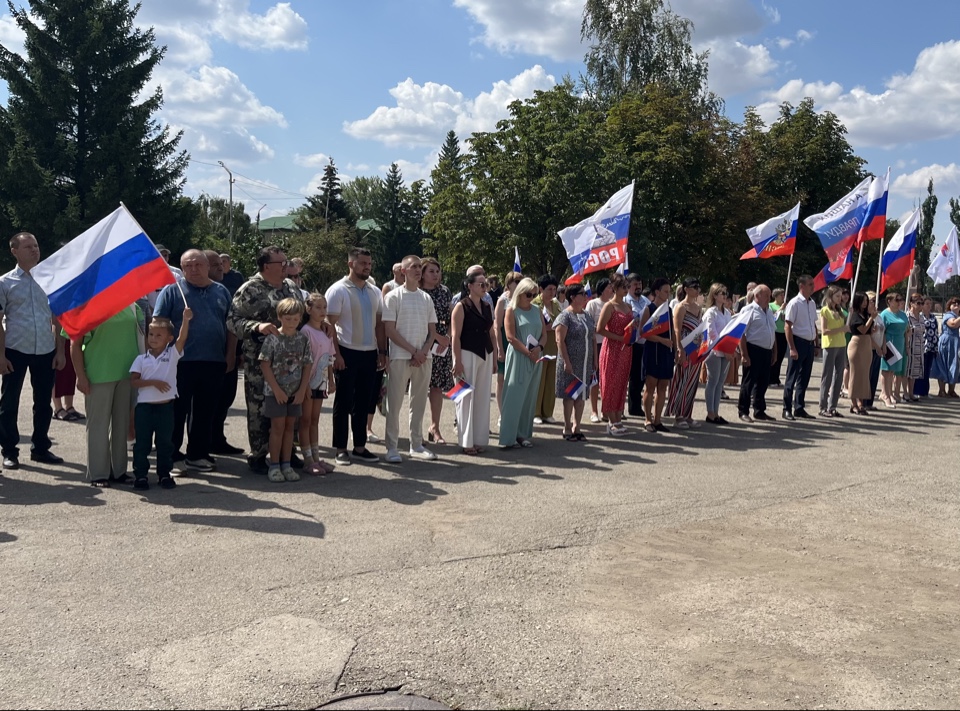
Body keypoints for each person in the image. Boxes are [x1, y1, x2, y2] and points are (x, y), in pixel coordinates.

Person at [154, 250, 235, 472]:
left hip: (214, 360)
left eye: (198, 264)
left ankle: (198, 454)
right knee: (176, 411)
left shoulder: (221, 292)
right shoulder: (172, 291)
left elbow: (231, 326)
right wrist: (159, 357)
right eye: (188, 266)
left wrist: (230, 354)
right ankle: (171, 456)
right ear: (182, 268)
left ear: (208, 266)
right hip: (179, 362)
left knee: (205, 410)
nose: (193, 269)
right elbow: (159, 323)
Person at [227, 246, 306, 472]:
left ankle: (287, 452)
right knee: (260, 407)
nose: (285, 266)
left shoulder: (291, 286)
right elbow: (232, 321)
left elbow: (302, 315)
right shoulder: (250, 289)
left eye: (286, 262)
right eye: (281, 263)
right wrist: (256, 326)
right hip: (260, 360)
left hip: (291, 361)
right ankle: (259, 454)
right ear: (265, 266)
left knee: (290, 406)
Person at [0, 232, 66, 470]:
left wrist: (60, 350)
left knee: (43, 403)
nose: (34, 250)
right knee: (9, 403)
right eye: (28, 246)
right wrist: (0, 355)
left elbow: (57, 317)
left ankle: (40, 448)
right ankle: (9, 451)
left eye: (36, 245)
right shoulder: (5, 283)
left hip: (45, 349)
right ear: (14, 251)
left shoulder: (49, 279)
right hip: (15, 349)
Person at [72, 303, 145, 487]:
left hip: (127, 373)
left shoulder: (132, 305)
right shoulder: (85, 307)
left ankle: (119, 471)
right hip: (98, 374)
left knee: (122, 425)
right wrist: (80, 376)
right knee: (98, 425)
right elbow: (75, 344)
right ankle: (98, 474)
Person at [325, 247, 385, 466]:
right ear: (351, 264)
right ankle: (341, 449)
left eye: (369, 263)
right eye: (362, 263)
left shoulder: (374, 291)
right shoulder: (338, 290)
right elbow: (329, 325)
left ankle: (359, 446)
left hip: (370, 353)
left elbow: (379, 324)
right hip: (346, 352)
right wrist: (337, 355)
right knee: (343, 402)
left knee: (363, 401)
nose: (367, 267)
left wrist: (382, 351)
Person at [382, 255, 439, 464]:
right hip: (400, 356)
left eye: (419, 267)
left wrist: (422, 352)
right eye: (413, 266)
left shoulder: (426, 298)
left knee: (419, 402)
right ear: (403, 271)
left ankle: (416, 445)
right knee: (395, 404)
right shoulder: (393, 296)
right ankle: (392, 447)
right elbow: (389, 330)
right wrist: (413, 351)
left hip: (424, 358)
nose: (417, 270)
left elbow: (432, 331)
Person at [129, 310, 192, 490]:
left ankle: (164, 474)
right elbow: (134, 381)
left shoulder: (172, 355)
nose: (153, 338)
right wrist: (153, 382)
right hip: (144, 409)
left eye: (159, 335)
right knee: (142, 444)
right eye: (151, 334)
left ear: (169, 339)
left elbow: (182, 338)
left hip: (165, 408)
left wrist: (186, 320)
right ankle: (141, 475)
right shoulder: (141, 359)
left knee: (165, 443)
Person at [259, 298, 312, 482]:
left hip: (295, 392)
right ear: (280, 317)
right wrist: (276, 390)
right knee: (277, 427)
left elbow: (307, 365)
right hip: (275, 393)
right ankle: (274, 466)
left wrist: (302, 389)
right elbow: (264, 364)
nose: (291, 323)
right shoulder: (273, 338)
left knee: (290, 428)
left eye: (295, 319)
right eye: (288, 319)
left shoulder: (302, 339)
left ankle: (286, 464)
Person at [450, 270, 496, 454]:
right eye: (481, 284)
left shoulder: (487, 306)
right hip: (466, 353)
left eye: (486, 284)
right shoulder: (461, 306)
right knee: (465, 398)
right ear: (470, 286)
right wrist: (457, 361)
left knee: (482, 397)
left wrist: (495, 357)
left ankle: (478, 439)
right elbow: (455, 336)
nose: (485, 287)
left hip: (485, 353)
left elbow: (491, 333)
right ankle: (466, 441)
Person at [499, 278, 544, 448]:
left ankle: (522, 434)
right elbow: (510, 337)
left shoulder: (537, 310)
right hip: (518, 356)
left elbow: (544, 334)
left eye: (534, 294)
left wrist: (539, 348)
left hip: (536, 357)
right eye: (528, 294)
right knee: (514, 396)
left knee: (529, 397)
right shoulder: (511, 310)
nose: (531, 298)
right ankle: (507, 437)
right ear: (520, 293)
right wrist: (527, 352)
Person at [206, 250, 243, 455]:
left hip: (228, 356)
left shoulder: (224, 291)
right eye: (215, 265)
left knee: (225, 399)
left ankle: (218, 440)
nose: (220, 267)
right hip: (204, 359)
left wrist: (235, 353)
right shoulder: (187, 291)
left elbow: (233, 325)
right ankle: (201, 446)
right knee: (205, 406)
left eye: (221, 264)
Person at [299, 293, 337, 475]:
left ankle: (316, 457)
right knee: (305, 420)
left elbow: (329, 358)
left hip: (320, 382)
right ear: (309, 309)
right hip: (308, 382)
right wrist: (304, 384)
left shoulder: (326, 332)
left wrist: (331, 379)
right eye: (318, 307)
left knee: (315, 420)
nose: (322, 311)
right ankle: (307, 459)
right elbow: (302, 360)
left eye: (325, 307)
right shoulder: (305, 331)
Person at [554, 284, 596, 441]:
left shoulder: (587, 315)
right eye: (582, 294)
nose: (585, 296)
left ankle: (577, 427)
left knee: (581, 395)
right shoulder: (565, 316)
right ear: (572, 297)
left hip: (585, 363)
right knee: (570, 395)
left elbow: (592, 338)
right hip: (570, 362)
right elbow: (559, 340)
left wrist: (595, 359)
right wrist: (566, 361)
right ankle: (567, 428)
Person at [420, 257, 453, 445]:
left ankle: (435, 427)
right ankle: (416, 430)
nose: (435, 275)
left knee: (437, 387)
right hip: (421, 342)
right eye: (431, 271)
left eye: (437, 271)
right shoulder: (417, 292)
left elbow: (451, 317)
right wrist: (435, 337)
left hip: (442, 345)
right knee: (418, 387)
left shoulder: (444, 291)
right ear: (422, 273)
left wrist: (446, 336)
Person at [596, 274, 634, 436]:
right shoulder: (609, 306)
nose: (626, 290)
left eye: (627, 287)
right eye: (623, 287)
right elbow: (600, 329)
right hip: (612, 349)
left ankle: (618, 417)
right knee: (610, 384)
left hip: (626, 350)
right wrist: (619, 338)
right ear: (614, 288)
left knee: (621, 384)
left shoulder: (628, 306)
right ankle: (611, 420)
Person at [737, 284, 777, 423]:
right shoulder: (749, 310)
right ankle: (743, 411)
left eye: (769, 296)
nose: (769, 298)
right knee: (748, 382)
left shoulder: (769, 311)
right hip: (753, 350)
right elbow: (741, 333)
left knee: (763, 382)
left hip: (767, 350)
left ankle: (759, 410)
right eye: (766, 295)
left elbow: (772, 331)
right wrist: (744, 354)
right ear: (757, 296)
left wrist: (774, 352)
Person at [667, 277, 703, 429]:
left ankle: (687, 413)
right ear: (686, 289)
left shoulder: (698, 307)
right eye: (694, 287)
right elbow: (677, 329)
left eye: (698, 287)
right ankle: (678, 415)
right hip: (684, 346)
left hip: (696, 347)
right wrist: (679, 349)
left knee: (692, 381)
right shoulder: (681, 307)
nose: (697, 290)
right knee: (682, 380)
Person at [640, 278, 675, 433]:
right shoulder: (649, 309)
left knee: (663, 386)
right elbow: (643, 332)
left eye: (669, 291)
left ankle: (658, 420)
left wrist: (675, 348)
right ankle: (647, 419)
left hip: (666, 352)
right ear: (657, 292)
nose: (668, 294)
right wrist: (662, 340)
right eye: (665, 291)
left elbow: (673, 331)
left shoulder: (669, 310)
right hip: (653, 350)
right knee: (651, 385)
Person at [782, 275, 818, 420]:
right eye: (810, 284)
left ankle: (799, 407)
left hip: (809, 344)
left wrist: (816, 344)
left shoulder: (812, 303)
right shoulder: (794, 303)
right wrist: (792, 347)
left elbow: (813, 324)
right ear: (802, 286)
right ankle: (786, 408)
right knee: (792, 377)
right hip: (798, 342)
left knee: (804, 378)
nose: (813, 287)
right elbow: (787, 326)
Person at [532, 274, 561, 425]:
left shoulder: (556, 304)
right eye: (549, 289)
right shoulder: (535, 304)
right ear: (541, 289)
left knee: (551, 381)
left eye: (554, 289)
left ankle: (548, 412)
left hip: (554, 347)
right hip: (540, 346)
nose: (552, 292)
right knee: (539, 380)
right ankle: (536, 412)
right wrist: (547, 328)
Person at [702, 283, 732, 424]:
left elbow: (730, 332)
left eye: (726, 293)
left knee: (720, 383)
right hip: (714, 351)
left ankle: (716, 412)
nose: (725, 296)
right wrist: (724, 349)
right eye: (722, 293)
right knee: (713, 381)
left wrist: (731, 349)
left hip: (726, 351)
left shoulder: (727, 313)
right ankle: (710, 413)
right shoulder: (711, 312)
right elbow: (712, 334)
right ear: (714, 295)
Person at [495, 271, 523, 420]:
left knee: (516, 380)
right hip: (505, 342)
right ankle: (502, 413)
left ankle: (515, 413)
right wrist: (500, 349)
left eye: (520, 281)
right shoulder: (502, 301)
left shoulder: (524, 299)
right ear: (508, 284)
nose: (519, 284)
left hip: (520, 342)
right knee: (502, 379)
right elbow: (497, 326)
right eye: (516, 282)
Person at [817, 286, 848, 418]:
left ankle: (832, 406)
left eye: (840, 296)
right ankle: (823, 406)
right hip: (830, 345)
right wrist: (841, 329)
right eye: (837, 296)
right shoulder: (825, 310)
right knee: (827, 376)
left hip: (841, 344)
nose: (840, 298)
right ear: (830, 297)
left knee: (838, 376)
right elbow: (824, 331)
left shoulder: (840, 311)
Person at [585, 278, 612, 423]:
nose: (611, 289)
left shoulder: (613, 304)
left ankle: (606, 410)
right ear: (602, 289)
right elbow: (588, 325)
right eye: (609, 287)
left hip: (610, 344)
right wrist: (600, 328)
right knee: (595, 379)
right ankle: (594, 411)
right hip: (597, 344)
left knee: (607, 380)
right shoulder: (593, 304)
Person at [625, 273, 650, 418]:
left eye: (640, 284)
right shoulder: (625, 301)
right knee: (630, 376)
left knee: (640, 376)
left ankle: (636, 406)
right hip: (630, 343)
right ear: (628, 286)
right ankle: (628, 407)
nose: (638, 287)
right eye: (635, 284)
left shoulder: (646, 301)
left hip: (644, 342)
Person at [846, 293, 876, 415]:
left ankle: (861, 403)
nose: (865, 303)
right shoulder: (855, 316)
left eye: (866, 301)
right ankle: (854, 404)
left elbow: (868, 330)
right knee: (855, 374)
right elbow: (862, 330)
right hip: (857, 345)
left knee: (864, 375)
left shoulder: (866, 314)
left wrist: (872, 326)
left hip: (866, 344)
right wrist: (871, 318)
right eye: (863, 301)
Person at [879, 292, 909, 407]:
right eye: (897, 300)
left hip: (899, 343)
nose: (899, 302)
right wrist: (883, 346)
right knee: (886, 370)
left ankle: (890, 393)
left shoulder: (902, 314)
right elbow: (881, 331)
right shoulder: (885, 314)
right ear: (889, 301)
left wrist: (907, 345)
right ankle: (884, 394)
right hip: (889, 343)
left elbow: (906, 330)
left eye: (900, 299)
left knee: (893, 371)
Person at [930, 297, 960, 397]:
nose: (957, 305)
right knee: (943, 364)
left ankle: (951, 390)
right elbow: (953, 324)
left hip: (955, 342)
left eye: (958, 304)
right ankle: (942, 390)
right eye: (954, 303)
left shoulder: (957, 316)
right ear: (949, 306)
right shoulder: (948, 315)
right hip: (946, 342)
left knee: (954, 365)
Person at [862, 291, 885, 410]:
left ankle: (869, 403)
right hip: (869, 349)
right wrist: (877, 347)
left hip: (878, 350)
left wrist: (883, 346)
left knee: (874, 377)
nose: (874, 303)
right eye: (872, 301)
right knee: (867, 376)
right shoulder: (866, 317)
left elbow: (883, 332)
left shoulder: (879, 317)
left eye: (876, 300)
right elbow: (867, 334)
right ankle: (863, 402)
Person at [146, 244, 184, 311]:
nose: (163, 258)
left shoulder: (176, 272)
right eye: (160, 255)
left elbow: (181, 292)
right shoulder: (147, 274)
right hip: (152, 309)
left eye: (165, 255)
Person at [915, 296, 938, 398]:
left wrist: (936, 347)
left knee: (927, 370)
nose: (929, 306)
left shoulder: (933, 317)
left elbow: (936, 332)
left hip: (932, 347)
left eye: (930, 304)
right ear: (922, 305)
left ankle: (925, 392)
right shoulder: (920, 316)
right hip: (922, 346)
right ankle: (917, 391)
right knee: (920, 370)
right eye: (927, 303)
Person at [904, 294, 925, 401]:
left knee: (914, 372)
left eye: (922, 303)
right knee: (906, 371)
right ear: (911, 303)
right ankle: (905, 393)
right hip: (909, 346)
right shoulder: (907, 316)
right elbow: (906, 331)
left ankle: (911, 393)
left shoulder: (921, 317)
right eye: (918, 303)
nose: (920, 305)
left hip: (919, 347)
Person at [769, 288, 787, 387]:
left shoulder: (785, 306)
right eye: (781, 295)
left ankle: (776, 377)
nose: (783, 297)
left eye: (783, 295)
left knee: (780, 356)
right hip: (775, 333)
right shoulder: (771, 306)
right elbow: (772, 317)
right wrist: (780, 309)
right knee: (774, 356)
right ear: (776, 296)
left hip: (783, 333)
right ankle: (771, 379)